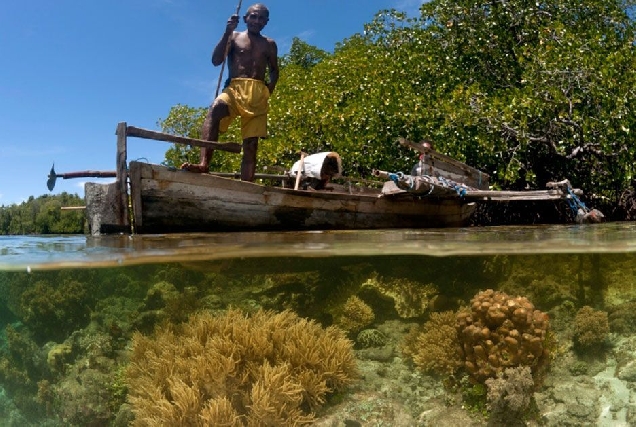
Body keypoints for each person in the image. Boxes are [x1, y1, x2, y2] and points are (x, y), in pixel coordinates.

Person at [181, 3, 279, 181]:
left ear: (266, 22)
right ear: (245, 19)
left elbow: (274, 70)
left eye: (261, 18)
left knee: (251, 143)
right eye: (253, 16)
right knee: (215, 109)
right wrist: (227, 32)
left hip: (258, 91)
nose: (257, 21)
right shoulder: (234, 36)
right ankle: (204, 164)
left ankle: (246, 184)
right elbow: (216, 61)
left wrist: (269, 89)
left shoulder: (269, 44)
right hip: (235, 87)